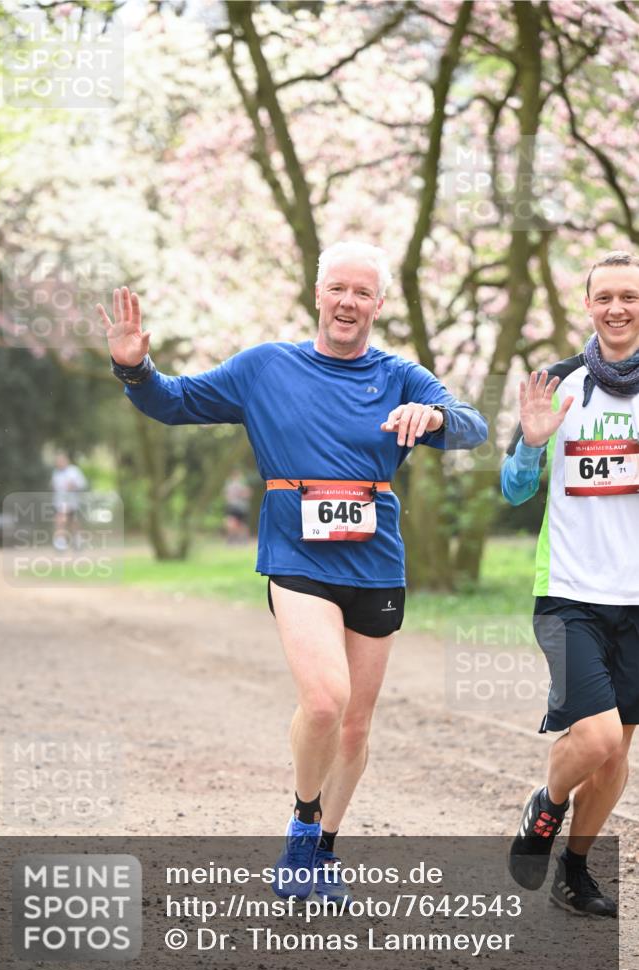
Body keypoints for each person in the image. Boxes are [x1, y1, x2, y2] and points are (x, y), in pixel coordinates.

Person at [97, 241, 487, 904]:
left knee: (357, 723)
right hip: (297, 555)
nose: (347, 302)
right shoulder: (265, 368)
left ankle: (321, 852)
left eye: (362, 292)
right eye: (337, 288)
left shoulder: (398, 376)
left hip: (375, 560)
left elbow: (473, 428)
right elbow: (174, 402)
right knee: (325, 701)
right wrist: (134, 368)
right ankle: (302, 824)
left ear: (378, 304)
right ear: (317, 294)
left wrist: (438, 416)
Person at [502, 250, 639, 917]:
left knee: (616, 757)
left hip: (636, 598)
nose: (617, 308)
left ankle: (573, 872)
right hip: (569, 592)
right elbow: (512, 489)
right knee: (596, 738)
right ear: (587, 305)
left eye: (630, 297)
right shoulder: (557, 382)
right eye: (604, 296)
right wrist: (529, 445)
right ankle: (544, 809)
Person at [50, 452, 88, 551]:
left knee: (73, 521)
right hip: (61, 502)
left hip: (73, 501)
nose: (59, 463)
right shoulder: (56, 473)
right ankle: (60, 540)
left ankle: (77, 540)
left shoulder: (74, 471)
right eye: (57, 462)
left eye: (61, 461)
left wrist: (73, 486)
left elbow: (82, 484)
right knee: (60, 518)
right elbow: (55, 487)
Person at [223, 468, 252, 544]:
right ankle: (237, 539)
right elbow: (247, 494)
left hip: (238, 506)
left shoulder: (230, 485)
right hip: (237, 506)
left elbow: (226, 496)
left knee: (238, 523)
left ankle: (236, 539)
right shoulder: (240, 485)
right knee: (237, 523)